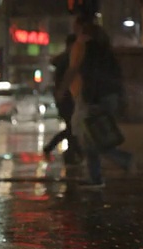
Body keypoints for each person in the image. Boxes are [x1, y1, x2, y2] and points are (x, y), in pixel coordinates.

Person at [56, 15, 135, 188]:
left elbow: (78, 71)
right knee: (93, 138)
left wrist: (64, 90)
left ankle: (122, 159)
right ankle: (95, 177)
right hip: (108, 97)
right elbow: (116, 76)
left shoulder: (85, 48)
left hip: (94, 98)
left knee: (92, 138)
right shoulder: (105, 50)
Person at [43, 34, 82, 164]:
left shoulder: (63, 59)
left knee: (72, 127)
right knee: (72, 128)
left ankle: (73, 153)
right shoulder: (68, 60)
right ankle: (73, 153)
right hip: (67, 97)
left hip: (64, 97)